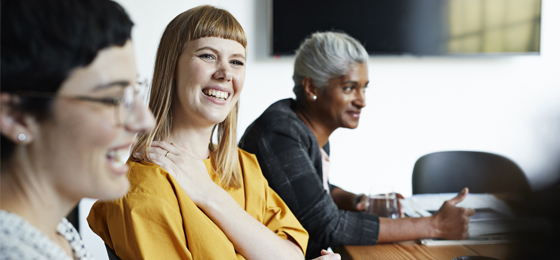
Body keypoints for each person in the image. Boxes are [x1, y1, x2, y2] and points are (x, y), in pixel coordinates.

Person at [87, 6, 339, 260]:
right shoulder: (143, 189)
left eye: (236, 62)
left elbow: (293, 254)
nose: (225, 73)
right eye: (207, 56)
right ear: (171, 67)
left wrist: (210, 195)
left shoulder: (243, 166)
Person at [239, 31, 475, 258]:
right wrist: (434, 225)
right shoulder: (280, 134)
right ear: (312, 88)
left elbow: (311, 192)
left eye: (364, 88)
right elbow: (327, 225)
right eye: (349, 88)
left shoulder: (303, 128)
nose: (362, 101)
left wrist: (357, 200)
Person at [0, 0, 155, 259]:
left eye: (133, 93)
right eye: (112, 99)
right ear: (17, 117)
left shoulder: (56, 232)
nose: (145, 121)